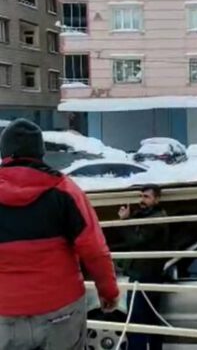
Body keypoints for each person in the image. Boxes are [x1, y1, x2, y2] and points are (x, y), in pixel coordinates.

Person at [0, 119, 119, 350]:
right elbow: (95, 250)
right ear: (40, 152)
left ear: (4, 153)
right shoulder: (66, 191)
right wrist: (109, 292)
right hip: (60, 310)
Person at [113, 185, 169, 350]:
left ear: (157, 199)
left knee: (138, 319)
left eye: (146, 197)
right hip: (144, 274)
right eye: (141, 196)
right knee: (149, 319)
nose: (142, 200)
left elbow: (137, 240)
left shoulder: (157, 219)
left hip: (146, 275)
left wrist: (124, 222)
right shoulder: (145, 215)